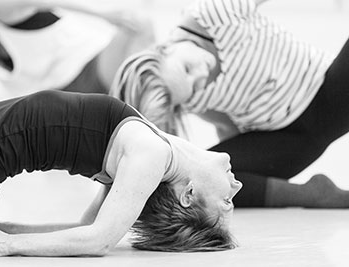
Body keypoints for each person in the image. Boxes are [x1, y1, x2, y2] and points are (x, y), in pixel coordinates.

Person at [111, 0, 349, 208]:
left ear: (164, 47)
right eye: (193, 87)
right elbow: (228, 127)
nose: (200, 76)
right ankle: (312, 195)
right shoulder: (190, 97)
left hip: (327, 94)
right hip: (287, 142)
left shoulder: (212, 14)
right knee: (199, 177)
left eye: (187, 68)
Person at [0, 90, 242, 257]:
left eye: (226, 201)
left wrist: (5, 241)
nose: (238, 186)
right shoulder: (150, 150)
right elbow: (83, 229)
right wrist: (9, 230)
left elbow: (98, 240)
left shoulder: (152, 155)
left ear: (188, 195)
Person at [0, 0, 154, 115]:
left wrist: (104, 15)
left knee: (141, 71)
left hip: (77, 94)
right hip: (85, 75)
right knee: (141, 24)